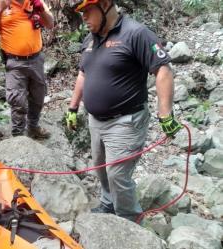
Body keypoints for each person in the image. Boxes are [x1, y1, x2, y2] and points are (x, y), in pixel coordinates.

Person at [66, 0, 182, 222]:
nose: (84, 17)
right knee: (101, 168)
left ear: (106, 5)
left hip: (126, 121)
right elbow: (83, 74)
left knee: (117, 175)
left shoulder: (136, 33)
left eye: (87, 11)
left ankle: (130, 221)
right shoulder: (90, 40)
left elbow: (163, 70)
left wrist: (165, 114)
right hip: (95, 120)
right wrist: (73, 107)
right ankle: (109, 204)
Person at [0, 0, 54, 139]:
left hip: (36, 59)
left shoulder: (35, 1)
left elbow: (50, 24)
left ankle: (33, 127)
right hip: (14, 62)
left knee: (38, 97)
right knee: (17, 101)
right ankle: (18, 136)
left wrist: (42, 10)